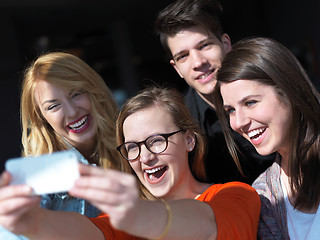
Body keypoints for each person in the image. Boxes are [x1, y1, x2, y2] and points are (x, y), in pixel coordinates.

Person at [0, 86, 260, 239]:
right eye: (132, 147)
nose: (145, 157)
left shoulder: (236, 195)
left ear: (189, 140)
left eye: (157, 140)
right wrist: (32, 222)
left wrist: (138, 214)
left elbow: (205, 225)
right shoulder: (127, 219)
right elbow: (89, 233)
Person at [0, 52, 122, 239]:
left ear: (93, 89)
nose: (72, 112)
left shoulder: (131, 144)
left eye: (76, 94)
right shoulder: (41, 174)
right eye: (53, 106)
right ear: (41, 118)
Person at [154, 0, 275, 184]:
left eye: (204, 46)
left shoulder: (270, 85)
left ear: (225, 44)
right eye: (183, 56)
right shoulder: (178, 123)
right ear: (176, 68)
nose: (198, 62)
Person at [214, 37, 320, 239]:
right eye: (230, 110)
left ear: (288, 91)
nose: (238, 122)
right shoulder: (263, 195)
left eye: (251, 102)